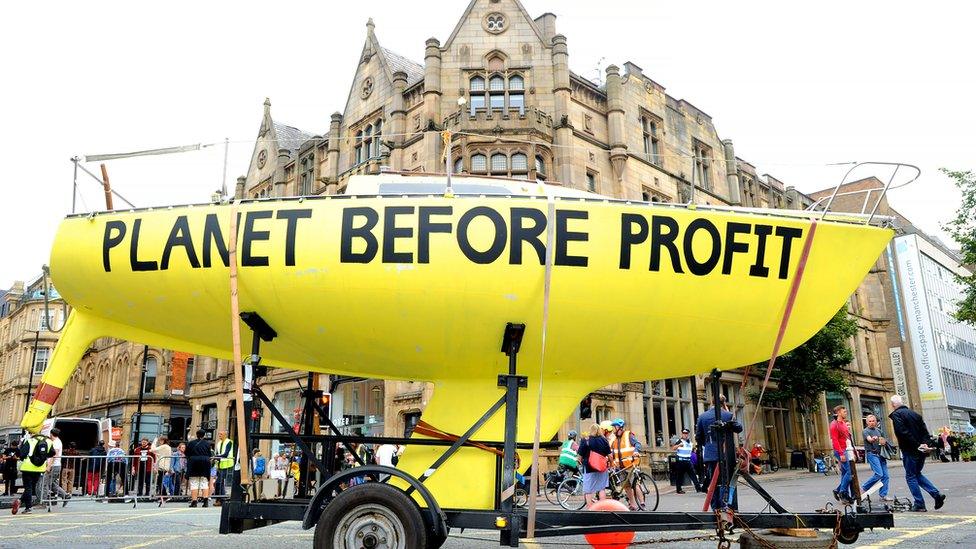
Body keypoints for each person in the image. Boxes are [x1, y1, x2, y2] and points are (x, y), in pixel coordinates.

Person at [889, 395, 946, 512]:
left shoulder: (896, 415)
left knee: (910, 476)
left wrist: (917, 445)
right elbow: (925, 432)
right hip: (921, 451)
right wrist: (925, 444)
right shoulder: (915, 415)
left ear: (893, 405)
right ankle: (936, 494)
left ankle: (919, 503)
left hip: (910, 450)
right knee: (916, 474)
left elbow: (902, 432)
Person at [695, 394, 742, 510]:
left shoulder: (702, 417)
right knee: (728, 482)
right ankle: (729, 507)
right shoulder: (728, 415)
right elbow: (739, 428)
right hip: (727, 454)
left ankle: (716, 508)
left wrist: (708, 444)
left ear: (711, 402)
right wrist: (728, 412)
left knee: (713, 483)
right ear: (724, 403)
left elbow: (698, 437)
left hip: (711, 455)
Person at [13, 431, 54, 515]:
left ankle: (28, 507)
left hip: (27, 467)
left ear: (32, 433)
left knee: (28, 487)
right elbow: (52, 453)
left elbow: (22, 454)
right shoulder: (49, 441)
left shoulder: (30, 441)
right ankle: (20, 501)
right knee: (31, 487)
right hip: (39, 468)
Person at [608, 418, 643, 510]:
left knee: (635, 483)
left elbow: (638, 444)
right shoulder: (614, 440)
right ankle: (633, 504)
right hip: (620, 467)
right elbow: (610, 452)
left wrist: (636, 451)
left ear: (619, 427)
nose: (613, 429)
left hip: (631, 464)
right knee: (626, 486)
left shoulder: (628, 435)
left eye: (614, 427)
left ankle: (642, 503)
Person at [578, 422, 611, 508]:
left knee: (588, 490)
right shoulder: (604, 440)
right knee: (601, 488)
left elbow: (580, 457)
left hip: (589, 468)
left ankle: (591, 508)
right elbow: (610, 455)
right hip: (602, 468)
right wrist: (611, 463)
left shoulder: (585, 440)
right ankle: (603, 507)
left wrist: (580, 461)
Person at [860, 414, 892, 502]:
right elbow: (869, 439)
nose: (871, 423)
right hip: (872, 454)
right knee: (879, 474)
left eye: (873, 421)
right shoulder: (865, 431)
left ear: (876, 422)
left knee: (885, 476)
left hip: (881, 455)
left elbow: (883, 441)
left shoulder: (879, 431)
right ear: (866, 422)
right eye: (869, 421)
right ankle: (864, 488)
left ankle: (883, 495)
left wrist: (883, 442)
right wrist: (873, 439)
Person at [829, 406, 854, 505]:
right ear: (838, 412)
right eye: (844, 411)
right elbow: (835, 440)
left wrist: (852, 452)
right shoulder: (834, 425)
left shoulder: (843, 423)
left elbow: (847, 438)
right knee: (850, 472)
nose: (846, 412)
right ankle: (842, 492)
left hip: (847, 449)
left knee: (845, 473)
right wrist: (841, 454)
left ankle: (839, 490)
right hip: (841, 450)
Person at [185, 429, 213, 507]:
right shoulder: (207, 444)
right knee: (204, 482)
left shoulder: (191, 443)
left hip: (194, 462)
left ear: (197, 435)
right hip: (205, 463)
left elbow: (187, 453)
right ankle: (205, 502)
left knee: (194, 482)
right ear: (204, 435)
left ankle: (194, 502)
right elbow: (209, 454)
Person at [44, 428, 70, 506]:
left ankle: (45, 500)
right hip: (55, 465)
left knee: (45, 483)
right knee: (52, 484)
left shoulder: (56, 443)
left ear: (51, 434)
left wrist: (49, 466)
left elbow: (54, 455)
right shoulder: (56, 442)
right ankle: (65, 495)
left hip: (54, 465)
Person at [671, 428, 701, 494]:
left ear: (688, 434)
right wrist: (679, 445)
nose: (685, 435)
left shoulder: (690, 442)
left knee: (693, 475)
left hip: (688, 461)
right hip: (681, 461)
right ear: (682, 434)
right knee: (680, 476)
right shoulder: (679, 441)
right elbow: (673, 448)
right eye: (684, 434)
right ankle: (679, 489)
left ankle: (698, 488)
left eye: (686, 434)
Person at [214, 431, 234, 503]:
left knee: (219, 482)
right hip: (220, 465)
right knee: (219, 482)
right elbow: (218, 453)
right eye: (219, 434)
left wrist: (215, 456)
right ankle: (220, 498)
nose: (219, 435)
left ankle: (221, 498)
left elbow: (225, 454)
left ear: (225, 435)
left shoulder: (229, 442)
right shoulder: (219, 443)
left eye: (221, 434)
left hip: (227, 464)